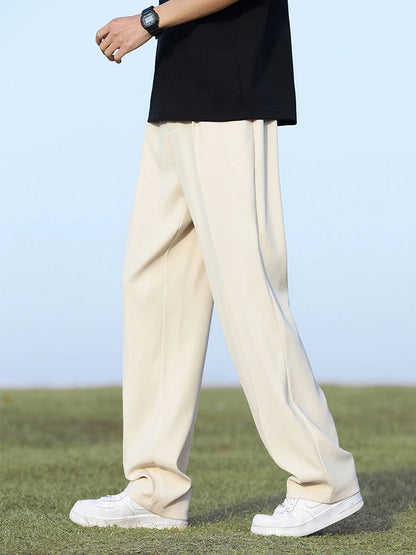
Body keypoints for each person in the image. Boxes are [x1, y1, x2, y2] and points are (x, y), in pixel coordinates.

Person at [69, 0, 364, 537]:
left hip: (231, 95)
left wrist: (149, 21)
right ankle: (155, 490)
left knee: (249, 290)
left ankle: (324, 482)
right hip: (176, 96)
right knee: (155, 287)